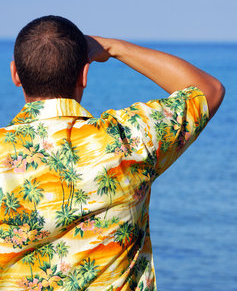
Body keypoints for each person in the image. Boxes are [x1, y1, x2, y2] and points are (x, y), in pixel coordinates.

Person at [0, 15, 224, 291]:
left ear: (15, 75)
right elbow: (208, 90)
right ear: (84, 74)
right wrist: (112, 47)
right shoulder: (128, 139)